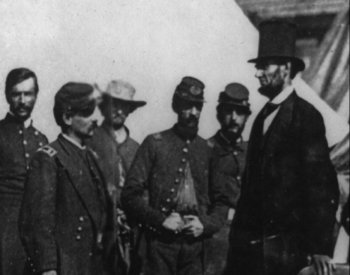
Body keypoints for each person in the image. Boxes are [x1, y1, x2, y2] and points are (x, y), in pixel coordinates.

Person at [224, 20, 339, 275]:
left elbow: (321, 186)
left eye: (264, 66)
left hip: (288, 254)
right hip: (250, 254)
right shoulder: (259, 118)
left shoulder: (306, 116)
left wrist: (320, 248)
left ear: (286, 68)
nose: (257, 73)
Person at [121, 76, 227, 275]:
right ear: (176, 106)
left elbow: (222, 202)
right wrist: (160, 220)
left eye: (197, 107)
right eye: (187, 106)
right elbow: (129, 195)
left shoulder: (209, 150)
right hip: (159, 248)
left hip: (195, 252)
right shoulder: (155, 143)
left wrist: (205, 225)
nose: (193, 113)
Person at [19, 82, 114, 275]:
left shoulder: (92, 158)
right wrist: (48, 268)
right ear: (67, 117)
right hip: (65, 267)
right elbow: (38, 223)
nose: (96, 118)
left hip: (92, 266)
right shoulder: (48, 158)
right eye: (88, 112)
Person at [88, 80, 146, 274]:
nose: (119, 111)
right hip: (96, 234)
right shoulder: (89, 140)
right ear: (104, 106)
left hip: (129, 234)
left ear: (130, 110)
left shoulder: (137, 149)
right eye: (114, 104)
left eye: (124, 106)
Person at [0, 68, 48, 275]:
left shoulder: (42, 140)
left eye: (28, 94)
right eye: (16, 93)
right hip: (5, 229)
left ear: (36, 96)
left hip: (36, 231)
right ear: (7, 96)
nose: (22, 100)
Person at [205, 83, 251, 275]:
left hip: (249, 237)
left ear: (247, 116)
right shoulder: (205, 150)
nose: (234, 118)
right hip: (216, 242)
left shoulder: (255, 152)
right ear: (218, 114)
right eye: (228, 111)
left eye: (240, 112)